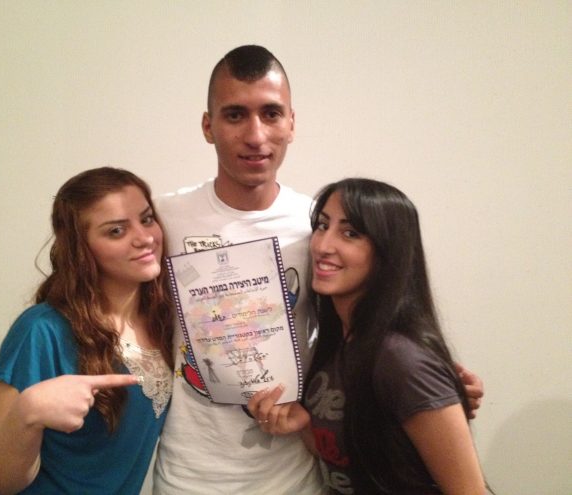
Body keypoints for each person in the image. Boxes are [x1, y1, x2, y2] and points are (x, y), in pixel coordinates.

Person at [153, 45, 484, 494]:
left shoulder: (317, 227)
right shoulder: (161, 220)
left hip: (296, 474)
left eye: (271, 114)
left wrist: (427, 381)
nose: (255, 135)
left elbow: (363, 326)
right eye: (235, 115)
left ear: (291, 123)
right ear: (208, 126)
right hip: (189, 476)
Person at [248, 178, 490, 494]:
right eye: (322, 226)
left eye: (351, 233)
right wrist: (304, 425)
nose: (323, 246)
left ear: (388, 251)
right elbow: (353, 464)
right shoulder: (340, 344)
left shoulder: (400, 359)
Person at [0, 167, 174, 495]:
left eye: (147, 219)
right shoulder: (42, 329)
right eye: (116, 231)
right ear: (82, 247)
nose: (144, 238)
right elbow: (2, 481)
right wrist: (28, 412)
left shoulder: (166, 322)